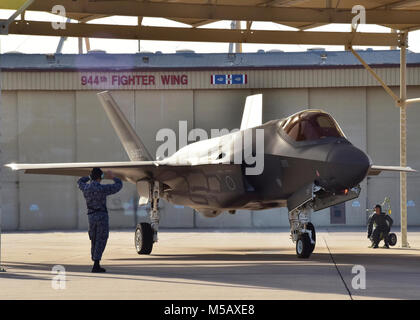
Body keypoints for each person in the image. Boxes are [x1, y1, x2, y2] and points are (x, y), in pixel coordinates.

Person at [78, 168, 123, 273]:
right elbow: (118, 185)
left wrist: (89, 177)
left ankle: (95, 260)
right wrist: (113, 177)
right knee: (101, 239)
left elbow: (79, 181)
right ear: (100, 177)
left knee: (93, 238)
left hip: (91, 216)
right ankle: (96, 264)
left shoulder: (86, 188)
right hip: (101, 215)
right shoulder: (102, 189)